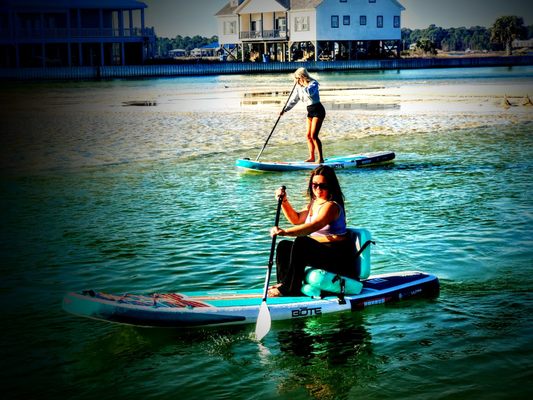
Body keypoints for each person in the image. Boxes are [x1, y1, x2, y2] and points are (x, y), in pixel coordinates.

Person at [268, 166, 356, 297]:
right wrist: (284, 201)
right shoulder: (314, 202)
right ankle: (285, 283)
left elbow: (314, 225)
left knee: (302, 242)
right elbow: (296, 219)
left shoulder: (331, 206)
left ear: (331, 186)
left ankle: (291, 288)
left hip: (336, 256)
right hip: (322, 252)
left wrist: (285, 231)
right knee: (284, 246)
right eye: (314, 185)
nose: (318, 189)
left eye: (323, 186)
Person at [280, 67, 326, 163]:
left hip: (318, 110)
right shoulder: (299, 87)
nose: (296, 81)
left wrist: (302, 85)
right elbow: (294, 100)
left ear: (302, 77)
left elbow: (309, 92)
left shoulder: (313, 83)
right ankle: (312, 157)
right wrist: (285, 109)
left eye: (297, 78)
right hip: (310, 111)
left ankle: (320, 158)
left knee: (314, 135)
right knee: (308, 136)